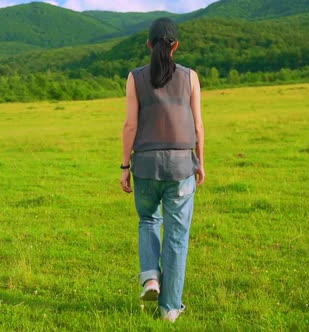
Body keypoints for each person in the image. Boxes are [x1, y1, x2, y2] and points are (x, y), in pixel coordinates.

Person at [120, 17, 205, 323]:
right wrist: (201, 161)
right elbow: (198, 125)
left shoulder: (135, 77)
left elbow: (130, 125)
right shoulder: (191, 77)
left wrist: (124, 166)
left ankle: (150, 279)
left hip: (144, 164)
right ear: (176, 46)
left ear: (148, 45)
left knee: (147, 220)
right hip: (182, 164)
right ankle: (169, 309)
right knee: (177, 237)